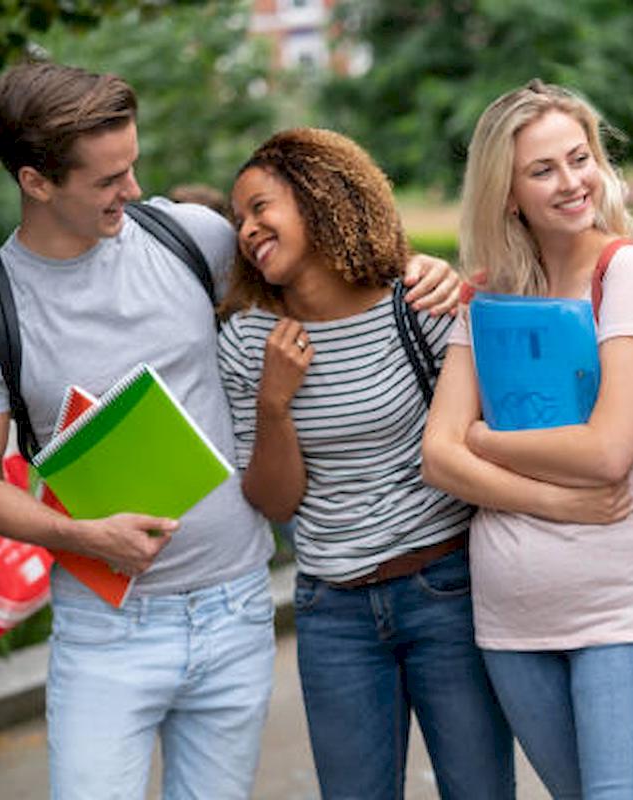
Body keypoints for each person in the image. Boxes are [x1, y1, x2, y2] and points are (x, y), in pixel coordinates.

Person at [0, 61, 458, 799]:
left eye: (134, 164)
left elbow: (331, 276)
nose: (135, 189)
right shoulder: (4, 304)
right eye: (109, 179)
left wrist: (419, 270)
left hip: (236, 611)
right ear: (37, 181)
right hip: (107, 630)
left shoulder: (191, 239)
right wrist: (85, 537)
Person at [421, 80, 633, 800]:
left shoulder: (626, 272)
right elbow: (437, 455)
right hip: (512, 618)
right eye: (543, 170)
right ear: (506, 192)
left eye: (580, 159)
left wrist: (484, 437)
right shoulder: (486, 296)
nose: (572, 182)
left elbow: (609, 451)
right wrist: (563, 502)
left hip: (619, 603)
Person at [216, 127, 514, 800]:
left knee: (480, 790)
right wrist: (273, 402)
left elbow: (483, 433)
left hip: (447, 590)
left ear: (322, 198)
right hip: (333, 613)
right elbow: (275, 503)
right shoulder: (247, 339)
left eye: (262, 207)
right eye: (239, 219)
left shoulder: (420, 309)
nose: (248, 229)